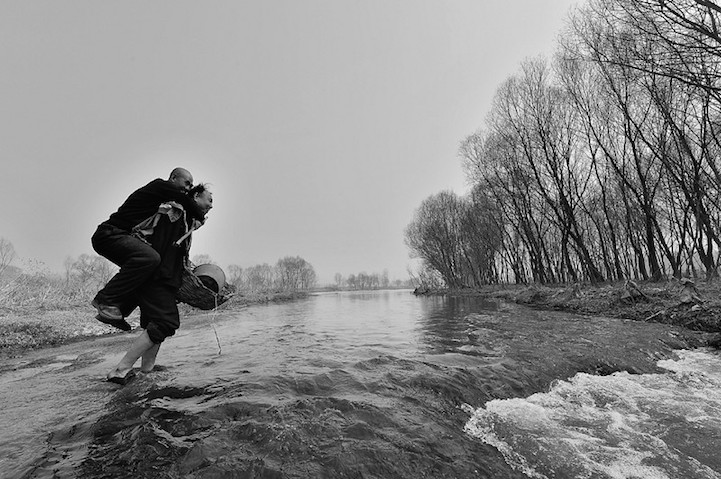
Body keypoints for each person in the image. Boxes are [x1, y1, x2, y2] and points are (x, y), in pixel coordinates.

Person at [106, 184, 213, 385]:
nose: (211, 206)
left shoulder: (185, 221)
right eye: (209, 200)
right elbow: (159, 245)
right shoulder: (174, 212)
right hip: (157, 278)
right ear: (195, 196)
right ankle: (121, 369)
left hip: (163, 278)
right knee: (166, 322)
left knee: (153, 325)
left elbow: (175, 250)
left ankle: (146, 372)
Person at [91, 167, 207, 330]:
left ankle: (118, 310)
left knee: (149, 268)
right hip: (111, 234)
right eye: (186, 183)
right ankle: (105, 300)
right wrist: (200, 216)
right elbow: (184, 200)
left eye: (190, 186)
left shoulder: (164, 203)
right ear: (173, 178)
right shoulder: (160, 186)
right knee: (150, 258)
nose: (187, 188)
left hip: (119, 236)